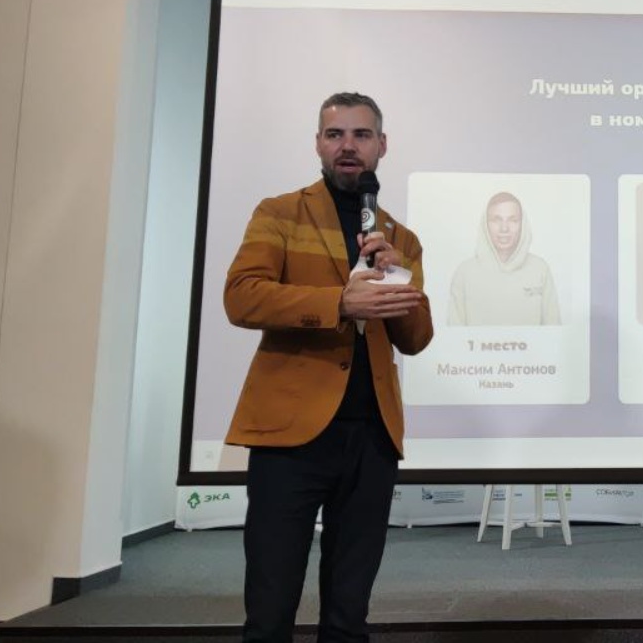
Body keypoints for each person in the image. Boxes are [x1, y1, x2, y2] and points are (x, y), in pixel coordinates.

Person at [224, 92, 433, 643]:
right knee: (270, 608)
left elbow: (416, 339)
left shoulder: (400, 238)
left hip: (372, 438)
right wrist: (338, 302)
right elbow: (242, 297)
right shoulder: (279, 213)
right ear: (318, 143)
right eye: (335, 134)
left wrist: (400, 277)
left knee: (348, 613)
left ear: (382, 146)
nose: (348, 146)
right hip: (291, 437)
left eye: (361, 135)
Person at [448, 191, 561, 325]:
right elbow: (454, 333)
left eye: (513, 220)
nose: (504, 228)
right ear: (485, 224)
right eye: (496, 220)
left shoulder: (540, 269)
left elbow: (554, 330)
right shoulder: (464, 273)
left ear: (523, 224)